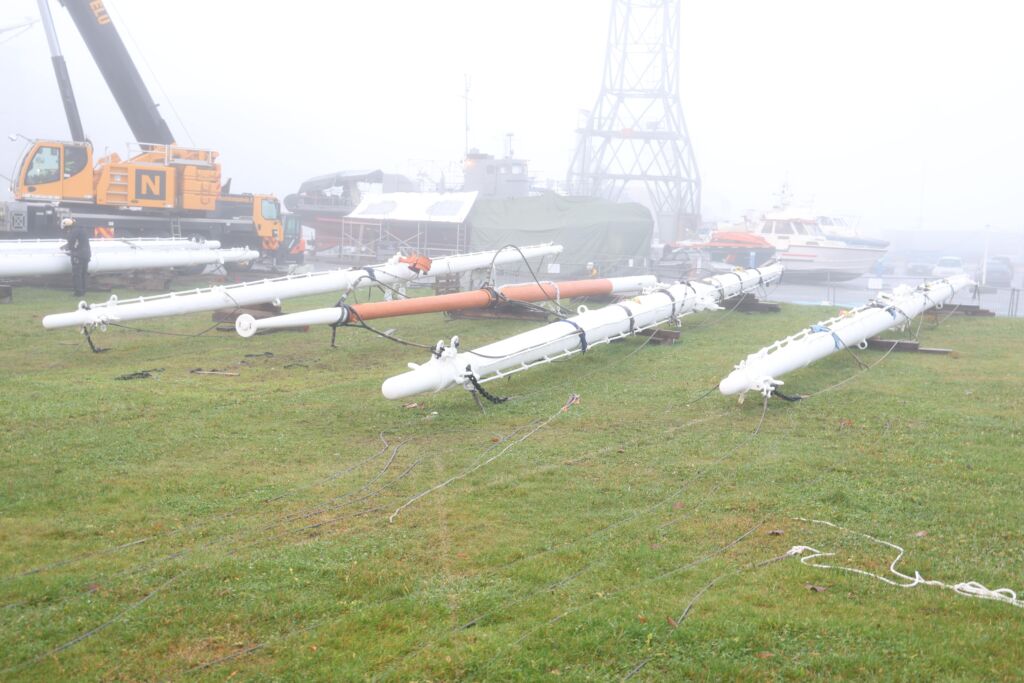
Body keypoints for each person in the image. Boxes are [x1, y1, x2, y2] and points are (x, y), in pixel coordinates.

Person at [60, 217, 91, 296]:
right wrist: (66, 246)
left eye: (65, 228)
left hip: (78, 256)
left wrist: (68, 250)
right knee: (84, 274)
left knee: (77, 274)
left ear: (67, 227)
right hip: (86, 254)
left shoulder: (73, 232)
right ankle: (83, 291)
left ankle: (78, 292)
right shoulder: (81, 229)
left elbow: (72, 243)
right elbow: (80, 241)